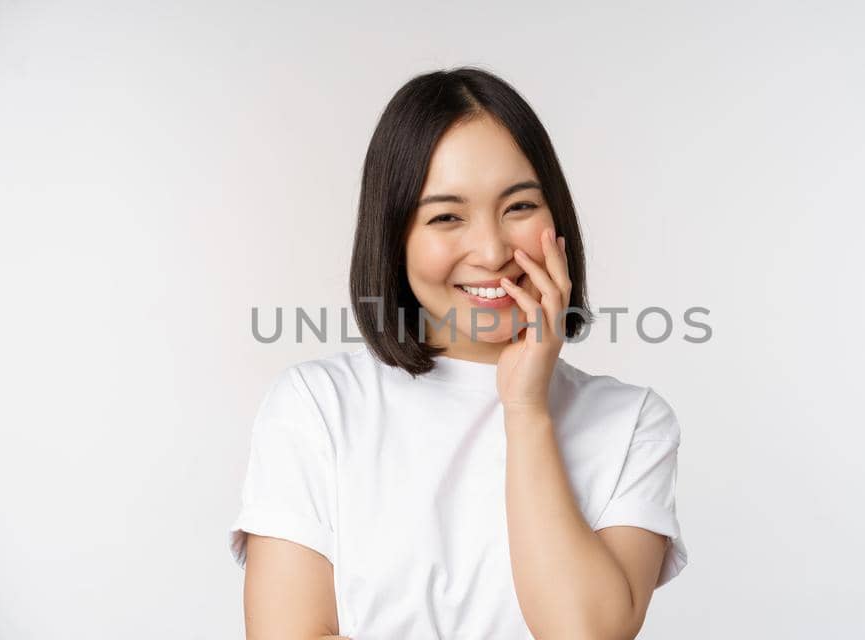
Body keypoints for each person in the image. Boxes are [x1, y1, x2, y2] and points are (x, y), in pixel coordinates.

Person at [229, 66, 688, 639]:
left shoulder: (632, 423)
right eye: (446, 216)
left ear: (556, 218)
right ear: (395, 237)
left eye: (519, 207)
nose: (493, 250)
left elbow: (584, 635)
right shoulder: (317, 407)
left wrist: (526, 410)